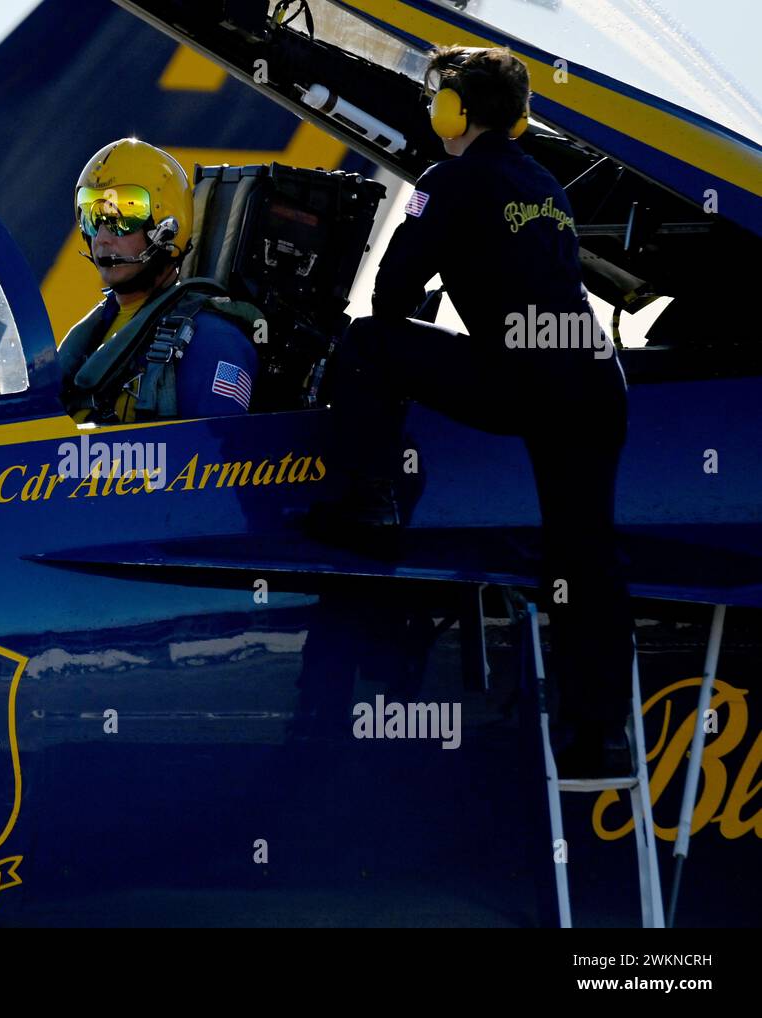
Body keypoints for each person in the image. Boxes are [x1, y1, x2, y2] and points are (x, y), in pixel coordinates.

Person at [324, 46, 633, 778]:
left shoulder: (449, 179)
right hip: (595, 384)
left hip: (526, 380)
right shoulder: (546, 183)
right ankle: (599, 738)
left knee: (368, 344)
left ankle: (367, 508)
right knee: (584, 558)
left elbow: (389, 299)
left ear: (454, 109)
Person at [58, 138, 259, 422]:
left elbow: (214, 459)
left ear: (166, 227)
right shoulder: (94, 331)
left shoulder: (213, 341)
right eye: (92, 216)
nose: (101, 238)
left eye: (122, 217)